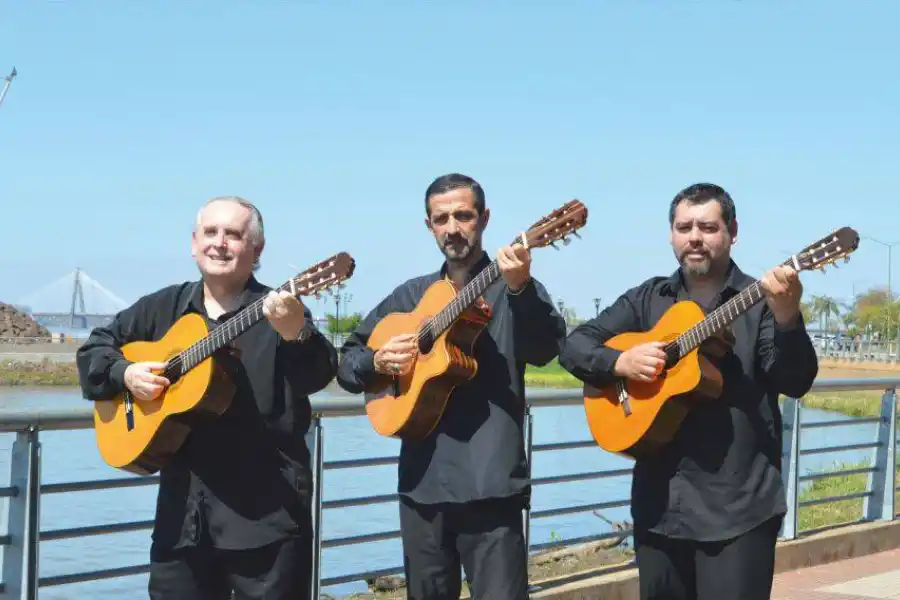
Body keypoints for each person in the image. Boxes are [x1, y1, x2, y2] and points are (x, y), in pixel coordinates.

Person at [558, 183, 818, 600]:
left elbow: (796, 381)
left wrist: (787, 319)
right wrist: (618, 363)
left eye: (708, 226)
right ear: (671, 235)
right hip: (659, 509)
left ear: (733, 232)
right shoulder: (647, 298)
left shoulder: (761, 301)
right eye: (684, 227)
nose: (694, 236)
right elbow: (574, 345)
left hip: (737, 511)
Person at [75, 196, 337, 600]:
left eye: (234, 234)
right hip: (182, 521)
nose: (219, 243)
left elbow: (319, 373)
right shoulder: (163, 307)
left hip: (267, 518)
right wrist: (124, 373)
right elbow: (94, 350)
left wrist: (296, 331)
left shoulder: (281, 309)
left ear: (257, 250)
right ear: (193, 243)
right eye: (210, 232)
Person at [336, 173, 567, 600]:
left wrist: (520, 287)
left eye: (463, 215)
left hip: (491, 484)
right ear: (429, 225)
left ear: (484, 219)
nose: (452, 228)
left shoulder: (513, 285)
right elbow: (347, 363)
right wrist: (377, 360)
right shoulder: (410, 296)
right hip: (421, 486)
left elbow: (546, 349)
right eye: (441, 219)